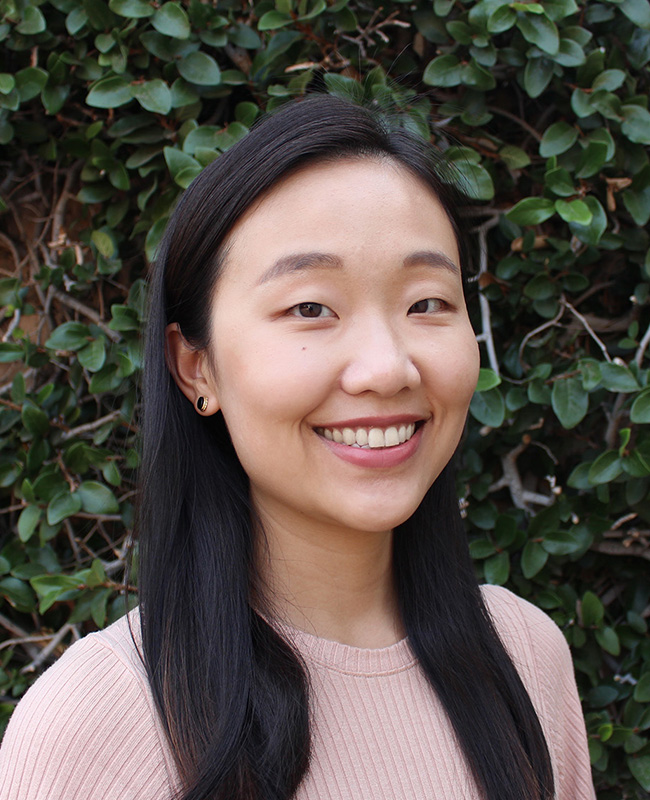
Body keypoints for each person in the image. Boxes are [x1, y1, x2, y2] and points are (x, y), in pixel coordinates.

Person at [0, 95, 595, 800]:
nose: (385, 369)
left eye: (426, 302)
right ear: (197, 366)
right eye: (310, 307)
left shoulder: (524, 656)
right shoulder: (103, 723)